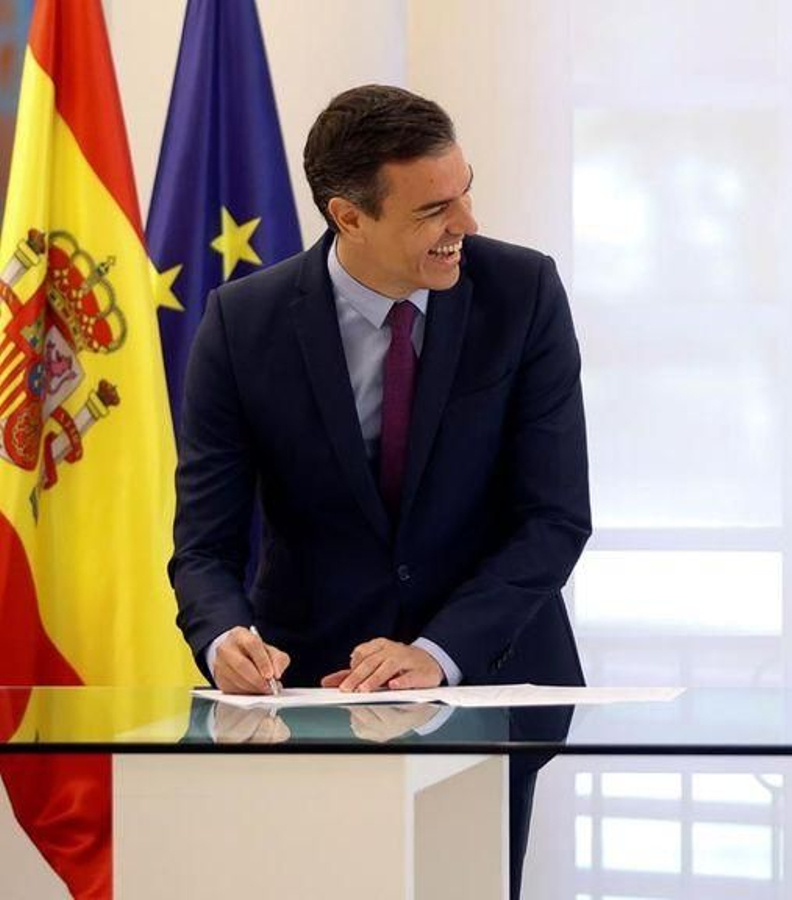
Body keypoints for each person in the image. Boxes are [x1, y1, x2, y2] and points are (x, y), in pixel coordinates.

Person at [170, 84, 588, 896]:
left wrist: (435, 654)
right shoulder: (240, 322)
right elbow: (204, 547)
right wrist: (223, 639)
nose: (465, 223)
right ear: (348, 215)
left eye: (467, 189)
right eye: (434, 208)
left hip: (489, 682)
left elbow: (555, 518)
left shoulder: (523, 292)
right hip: (310, 699)